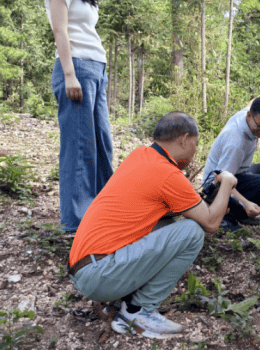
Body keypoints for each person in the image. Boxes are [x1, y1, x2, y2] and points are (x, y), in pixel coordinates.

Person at [68, 112, 237, 339]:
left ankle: (126, 298)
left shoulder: (140, 155)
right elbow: (211, 223)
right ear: (184, 139)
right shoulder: (167, 174)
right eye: (195, 145)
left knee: (168, 221)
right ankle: (137, 311)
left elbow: (160, 211)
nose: (194, 152)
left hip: (86, 268)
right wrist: (227, 181)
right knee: (192, 232)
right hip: (100, 276)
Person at [44, 0, 124, 232]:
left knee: (102, 144)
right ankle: (76, 224)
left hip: (96, 68)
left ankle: (104, 214)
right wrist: (69, 75)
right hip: (75, 67)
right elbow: (60, 30)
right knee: (78, 147)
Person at [202, 96, 260, 231]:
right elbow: (221, 181)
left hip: (238, 171)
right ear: (249, 116)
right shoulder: (235, 143)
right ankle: (228, 215)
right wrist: (246, 203)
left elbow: (252, 102)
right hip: (215, 184)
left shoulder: (248, 114)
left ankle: (241, 210)